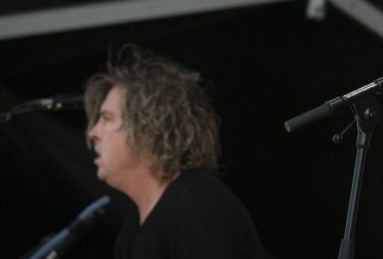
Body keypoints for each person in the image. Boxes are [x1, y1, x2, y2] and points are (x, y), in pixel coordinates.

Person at [84, 44, 266, 259]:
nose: (93, 133)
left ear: (148, 127)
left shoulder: (193, 203)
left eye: (107, 119)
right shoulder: (131, 233)